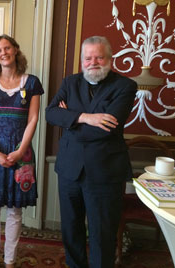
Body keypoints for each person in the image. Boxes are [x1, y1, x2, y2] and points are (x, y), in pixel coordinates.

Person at [45, 36, 137, 268]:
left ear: (109, 59)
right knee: (71, 230)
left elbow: (106, 130)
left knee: (102, 235)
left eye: (99, 57)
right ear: (81, 61)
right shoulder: (70, 82)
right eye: (88, 58)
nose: (93, 62)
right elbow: (50, 114)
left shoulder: (125, 86)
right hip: (69, 170)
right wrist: (86, 117)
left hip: (105, 173)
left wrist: (69, 121)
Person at [0, 34, 44, 267]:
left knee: (15, 211)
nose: (3, 52)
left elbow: (33, 119)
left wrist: (21, 149)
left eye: (6, 48)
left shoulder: (32, 83)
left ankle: (11, 260)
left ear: (15, 50)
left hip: (21, 153)